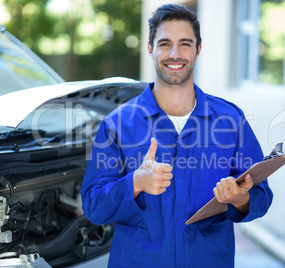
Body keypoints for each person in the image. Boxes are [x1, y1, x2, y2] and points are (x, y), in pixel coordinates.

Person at [81, 4, 273, 267]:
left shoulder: (229, 120)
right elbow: (93, 206)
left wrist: (241, 199)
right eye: (164, 43)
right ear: (150, 48)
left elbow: (262, 194)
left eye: (184, 44)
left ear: (198, 49)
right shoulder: (118, 124)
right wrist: (135, 183)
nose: (174, 54)